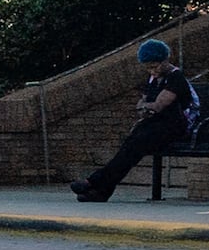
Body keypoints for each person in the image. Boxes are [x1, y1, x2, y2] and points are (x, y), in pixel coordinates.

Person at [68, 40, 200, 203]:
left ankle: (95, 183)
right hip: (156, 125)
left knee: (134, 146)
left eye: (155, 66)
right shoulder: (153, 80)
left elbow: (158, 105)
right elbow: (142, 105)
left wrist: (146, 107)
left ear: (165, 61)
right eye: (148, 68)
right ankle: (102, 190)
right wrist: (145, 108)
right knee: (130, 146)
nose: (152, 71)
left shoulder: (175, 77)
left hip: (175, 126)